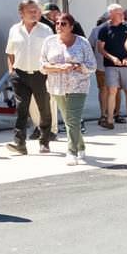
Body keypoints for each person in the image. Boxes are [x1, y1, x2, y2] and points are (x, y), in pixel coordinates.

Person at [42, 13, 97, 165]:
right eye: (57, 23)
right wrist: (58, 67)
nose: (59, 26)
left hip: (78, 85)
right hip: (56, 85)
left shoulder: (82, 42)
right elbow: (43, 65)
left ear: (71, 27)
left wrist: (78, 66)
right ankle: (81, 145)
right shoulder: (49, 42)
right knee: (68, 119)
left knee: (73, 118)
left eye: (63, 24)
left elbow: (92, 65)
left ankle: (71, 151)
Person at [5, 0, 54, 155]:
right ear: (21, 13)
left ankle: (44, 141)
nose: (35, 14)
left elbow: (52, 52)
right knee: (21, 109)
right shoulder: (14, 30)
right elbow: (9, 52)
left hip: (40, 74)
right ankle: (20, 143)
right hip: (20, 75)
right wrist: (11, 70)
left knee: (44, 108)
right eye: (31, 11)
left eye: (37, 11)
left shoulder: (46, 30)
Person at [94, 4, 127, 130]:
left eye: (122, 12)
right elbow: (100, 48)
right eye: (118, 13)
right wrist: (112, 58)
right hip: (111, 66)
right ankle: (110, 119)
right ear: (111, 14)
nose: (121, 15)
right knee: (111, 91)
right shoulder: (104, 29)